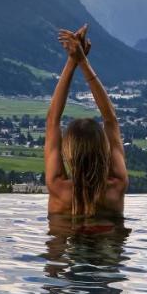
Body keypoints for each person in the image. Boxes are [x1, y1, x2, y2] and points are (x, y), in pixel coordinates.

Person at [44, 24, 127, 221]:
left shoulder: (58, 189)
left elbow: (52, 121)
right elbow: (110, 120)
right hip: (106, 251)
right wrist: (83, 62)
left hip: (67, 248)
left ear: (68, 152)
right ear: (103, 149)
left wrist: (72, 61)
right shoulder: (116, 188)